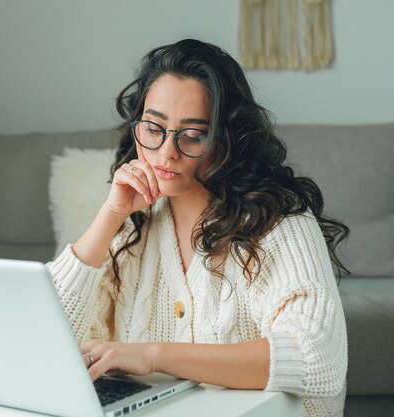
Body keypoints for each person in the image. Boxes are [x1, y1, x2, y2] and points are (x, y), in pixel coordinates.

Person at [46, 39, 350, 417]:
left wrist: (153, 355)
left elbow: (317, 356)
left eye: (193, 135)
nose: (166, 152)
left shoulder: (279, 222)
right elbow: (46, 335)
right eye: (154, 128)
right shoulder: (133, 224)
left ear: (227, 138)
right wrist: (110, 214)